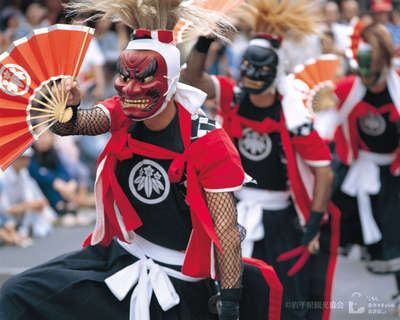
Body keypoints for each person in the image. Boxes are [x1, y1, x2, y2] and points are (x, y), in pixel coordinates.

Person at [0, 1, 283, 320]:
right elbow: (76, 125)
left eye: (144, 79)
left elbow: (226, 231)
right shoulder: (121, 112)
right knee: (16, 295)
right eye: (125, 76)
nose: (131, 88)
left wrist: (229, 303)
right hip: (120, 259)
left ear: (172, 79)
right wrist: (65, 107)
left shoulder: (207, 140)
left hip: (180, 283)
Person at [182, 1, 339, 319]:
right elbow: (192, 81)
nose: (251, 74)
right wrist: (205, 40)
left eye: (260, 68)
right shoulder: (234, 96)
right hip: (234, 213)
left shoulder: (292, 113)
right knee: (230, 296)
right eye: (247, 67)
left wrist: (313, 225)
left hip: (280, 218)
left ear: (274, 69)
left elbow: (324, 172)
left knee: (286, 300)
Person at [331, 22, 400, 306]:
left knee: (394, 230)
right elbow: (323, 111)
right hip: (361, 165)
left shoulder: (397, 86)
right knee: (336, 211)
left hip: (394, 170)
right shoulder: (349, 88)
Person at [0, 148, 55, 239]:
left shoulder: (24, 173)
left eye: (28, 158)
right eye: (22, 158)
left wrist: (34, 204)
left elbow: (29, 198)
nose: (26, 161)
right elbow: (5, 209)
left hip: (18, 215)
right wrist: (30, 205)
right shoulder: (2, 176)